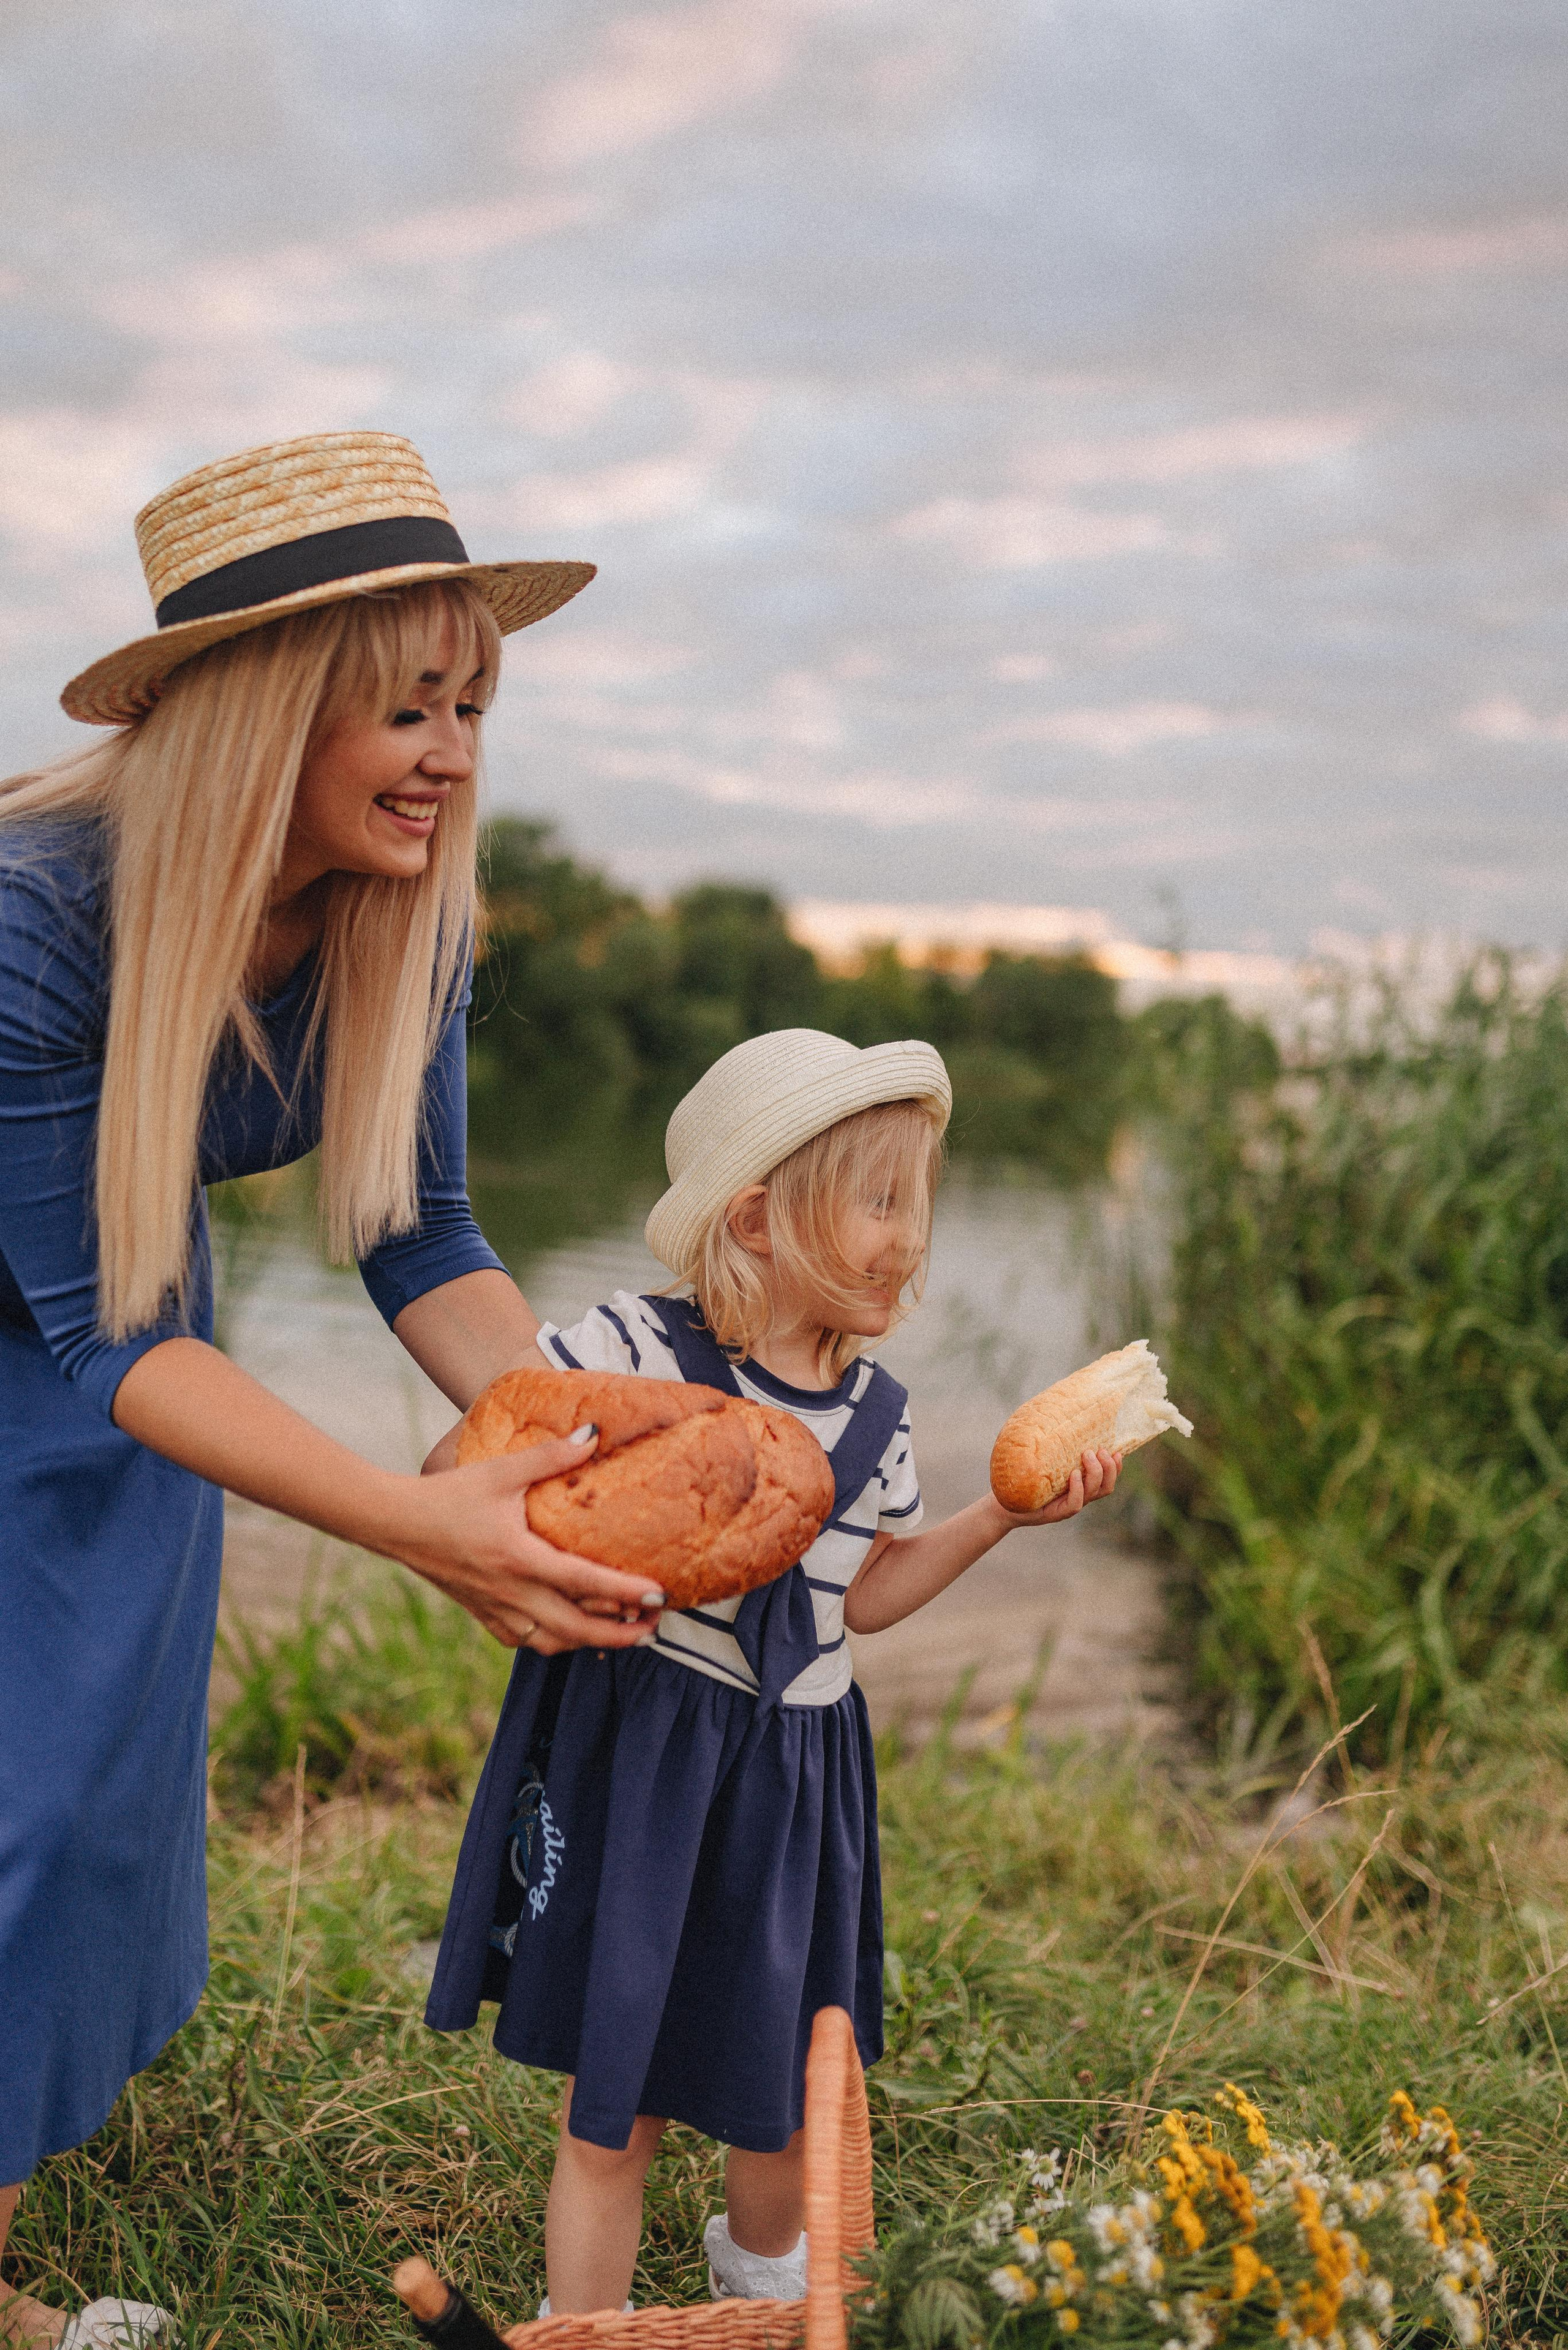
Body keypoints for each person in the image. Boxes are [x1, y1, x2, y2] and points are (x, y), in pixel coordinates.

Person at [0, 432, 667, 2349]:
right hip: (105, 1322)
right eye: (406, 702)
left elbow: (418, 1225)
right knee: (17, 1804)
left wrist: (559, 1439)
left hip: (128, 1315)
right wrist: (416, 1523)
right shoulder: (40, 908)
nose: (453, 750)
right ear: (268, 710)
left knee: (91, 1793)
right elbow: (107, 1342)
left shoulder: (408, 909)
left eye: (470, 702)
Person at [423, 1027, 1123, 2316]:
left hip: (795, 1772)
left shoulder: (878, 1413)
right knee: (610, 2103)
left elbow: (855, 1596)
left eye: (918, 1202)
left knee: (783, 2086)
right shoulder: (635, 1347)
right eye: (877, 1199)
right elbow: (493, 1449)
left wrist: (993, 1522)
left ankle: (761, 2297)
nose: (908, 1236)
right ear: (755, 1215)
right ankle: (587, 2330)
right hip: (644, 1747)